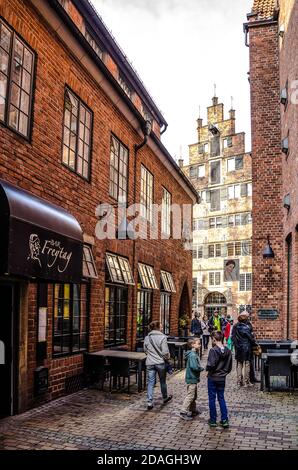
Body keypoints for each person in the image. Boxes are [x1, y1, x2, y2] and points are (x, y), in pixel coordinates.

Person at [143, 320, 173, 410]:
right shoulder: (163, 337)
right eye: (161, 326)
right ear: (157, 328)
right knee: (162, 381)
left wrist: (151, 356)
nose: (162, 327)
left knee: (150, 382)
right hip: (160, 362)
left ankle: (149, 402)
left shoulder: (147, 338)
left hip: (150, 362)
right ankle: (164, 397)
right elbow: (165, 352)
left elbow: (145, 350)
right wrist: (168, 359)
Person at [206, 331, 232, 429]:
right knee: (221, 398)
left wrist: (208, 370)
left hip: (213, 377)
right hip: (222, 378)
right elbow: (229, 367)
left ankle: (213, 420)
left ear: (214, 339)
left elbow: (211, 365)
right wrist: (224, 373)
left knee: (212, 399)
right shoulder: (228, 351)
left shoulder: (213, 350)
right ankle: (224, 420)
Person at [180, 338, 204, 421]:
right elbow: (194, 367)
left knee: (193, 395)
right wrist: (201, 368)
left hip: (193, 378)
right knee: (190, 396)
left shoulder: (193, 353)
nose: (200, 345)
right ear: (193, 345)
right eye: (198, 343)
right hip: (192, 378)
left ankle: (192, 410)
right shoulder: (193, 355)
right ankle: (183, 411)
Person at [232, 312, 258, 387]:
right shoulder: (247, 327)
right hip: (246, 347)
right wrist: (255, 343)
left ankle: (239, 381)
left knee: (239, 364)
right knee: (247, 364)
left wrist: (236, 345)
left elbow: (233, 337)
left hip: (238, 348)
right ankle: (247, 381)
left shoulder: (235, 326)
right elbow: (251, 338)